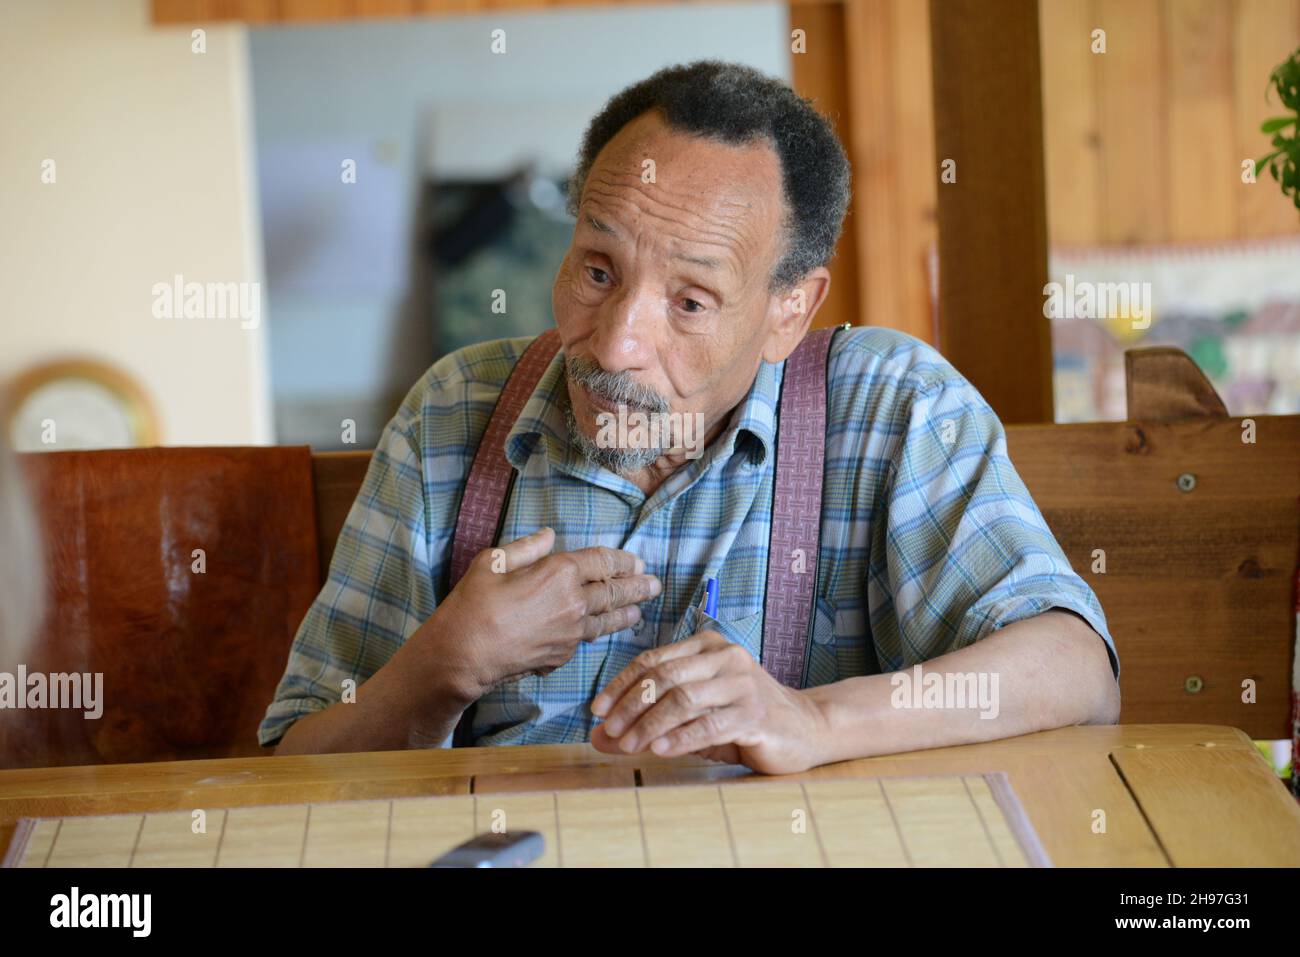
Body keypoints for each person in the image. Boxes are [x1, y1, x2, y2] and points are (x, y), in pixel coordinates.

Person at [261, 60, 1119, 773]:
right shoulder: (455, 413)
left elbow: (1076, 669)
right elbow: (292, 766)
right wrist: (443, 666)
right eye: (598, 269)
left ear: (790, 308)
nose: (617, 343)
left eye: (691, 300)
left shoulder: (888, 406)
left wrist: (815, 722)